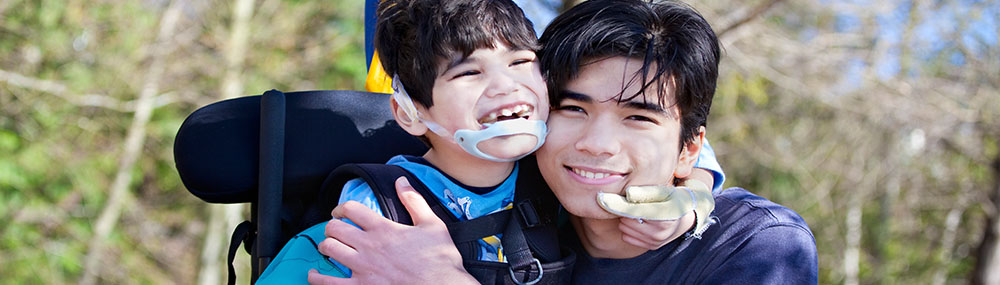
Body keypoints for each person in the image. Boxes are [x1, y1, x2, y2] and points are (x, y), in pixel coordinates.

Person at [308, 0, 818, 284]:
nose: (596, 144)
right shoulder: (511, 195)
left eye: (637, 118)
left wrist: (695, 199)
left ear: (688, 147)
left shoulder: (760, 248)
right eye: (572, 109)